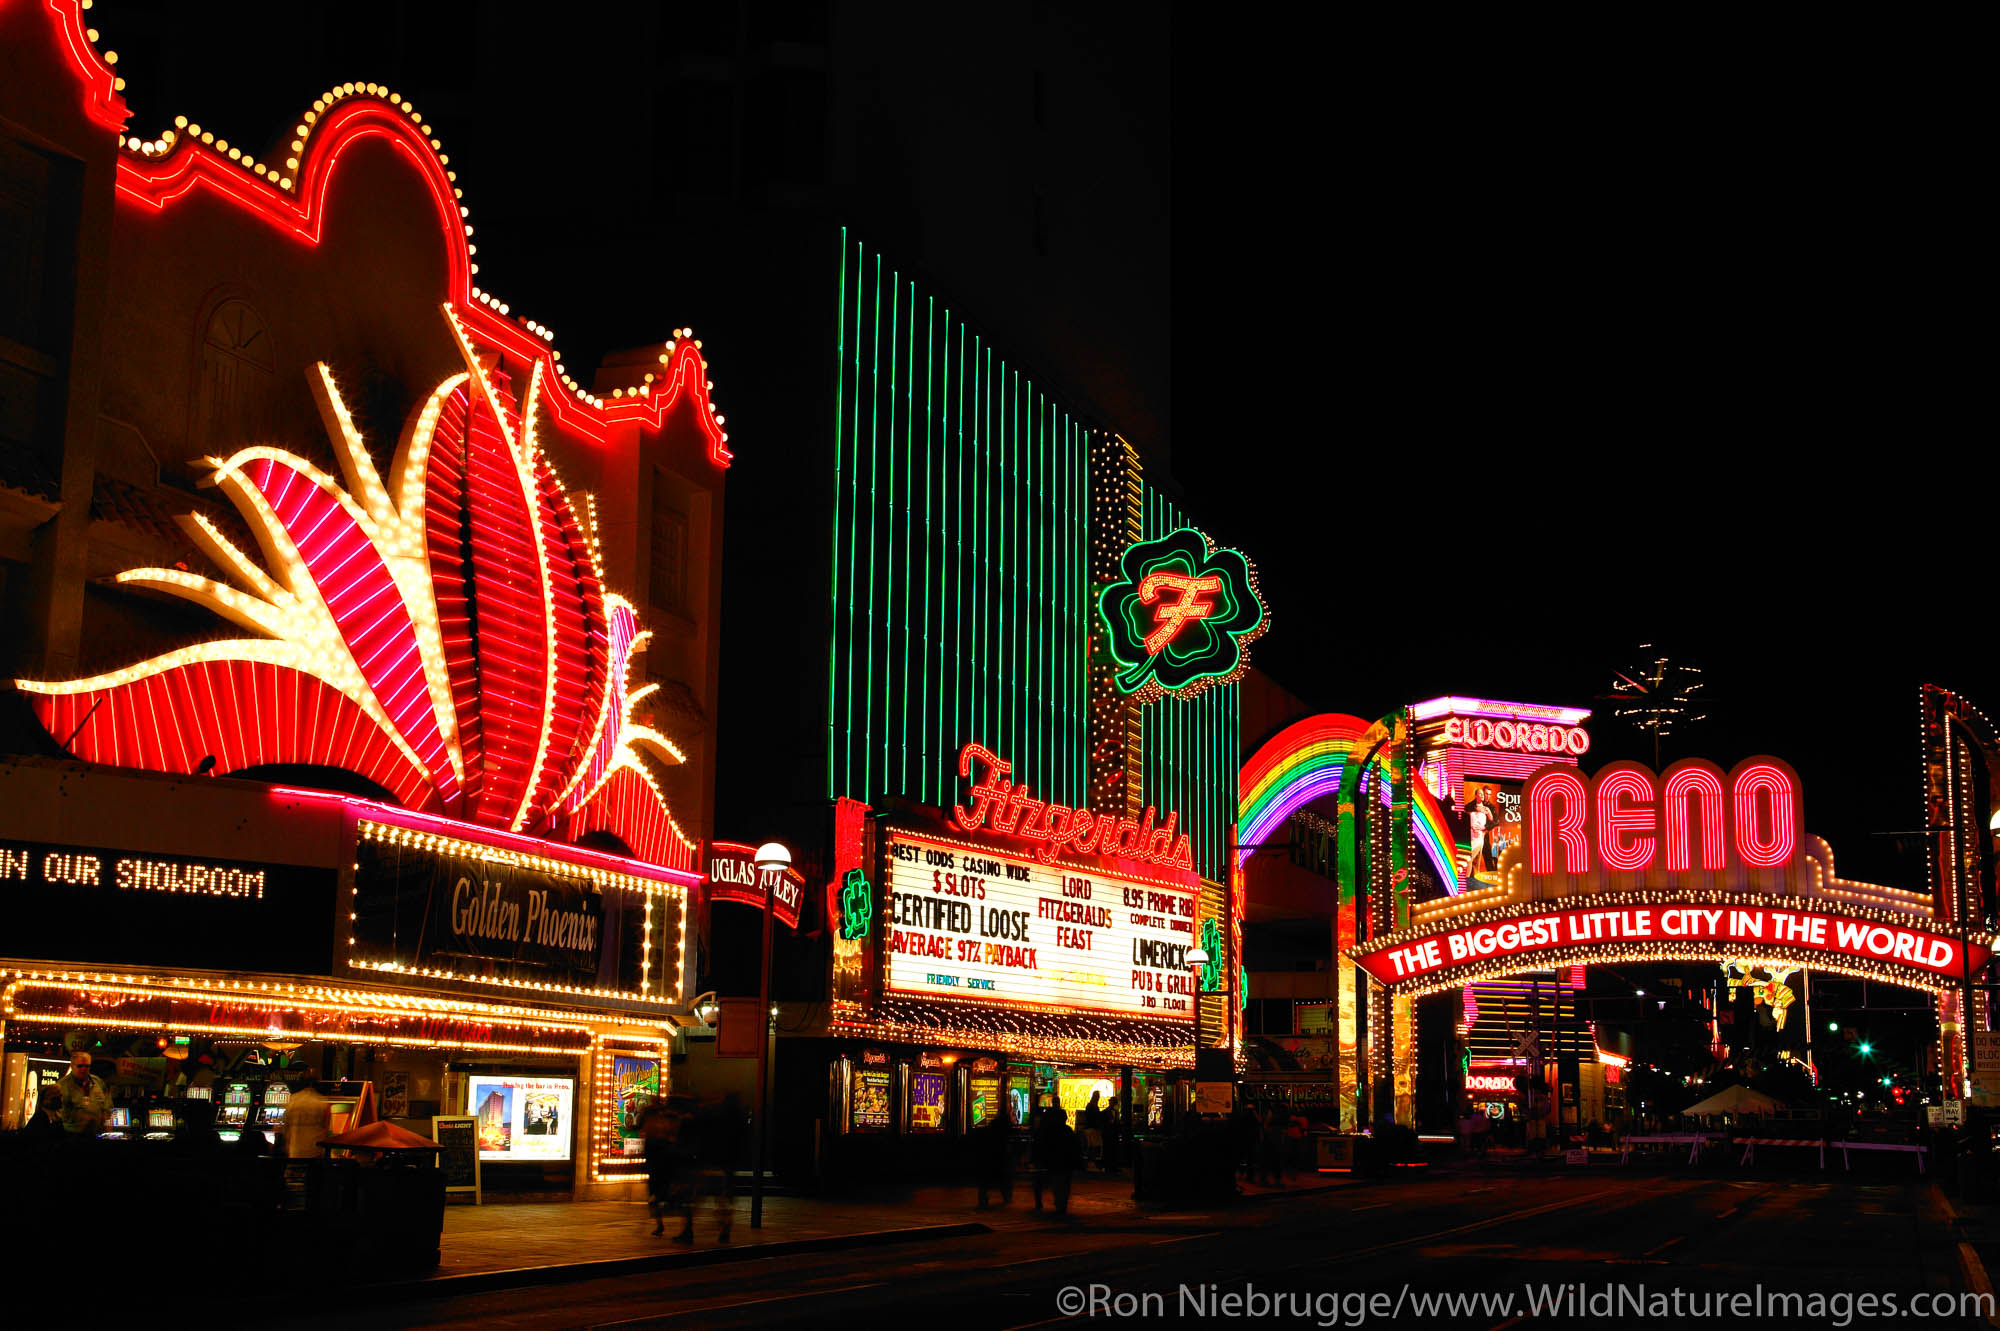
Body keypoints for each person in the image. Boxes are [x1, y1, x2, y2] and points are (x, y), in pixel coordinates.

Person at [1034, 1106, 1080, 1215]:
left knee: (1056, 1182)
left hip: (1054, 1162)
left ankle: (1057, 1203)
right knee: (1063, 1183)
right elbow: (1074, 1146)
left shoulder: (1048, 1131)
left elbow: (1042, 1146)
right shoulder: (1067, 1130)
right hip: (1064, 1162)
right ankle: (1061, 1204)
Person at [641, 1098, 676, 1236]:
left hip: (657, 1166)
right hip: (661, 1166)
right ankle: (659, 1222)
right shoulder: (666, 1125)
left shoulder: (653, 1132)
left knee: (655, 1195)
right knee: (657, 1194)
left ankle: (659, 1223)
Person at [57, 1050, 110, 1136]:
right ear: (72, 1066)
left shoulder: (98, 1082)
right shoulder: (62, 1085)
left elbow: (107, 1105)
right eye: (80, 1066)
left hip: (96, 1135)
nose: (84, 1069)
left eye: (87, 1066)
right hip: (71, 1136)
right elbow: (57, 1114)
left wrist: (106, 1120)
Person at [975, 1101, 1014, 1208]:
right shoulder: (1006, 1126)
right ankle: (1006, 1197)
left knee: (987, 1179)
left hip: (991, 1155)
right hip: (1000, 1155)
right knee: (1003, 1178)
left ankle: (983, 1198)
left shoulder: (993, 1125)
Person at [282, 1079, 331, 1160]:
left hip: (295, 1151)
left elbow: (284, 1128)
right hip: (314, 1151)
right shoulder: (322, 1103)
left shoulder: (292, 1101)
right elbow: (326, 1129)